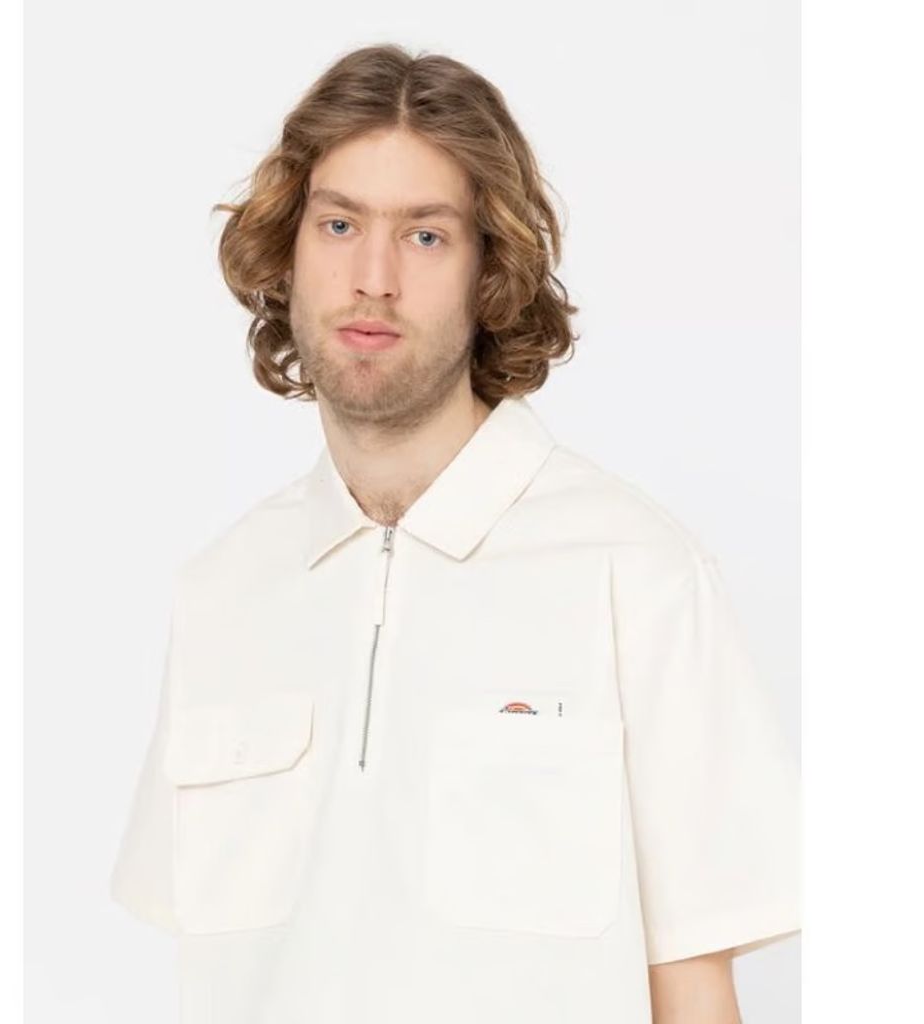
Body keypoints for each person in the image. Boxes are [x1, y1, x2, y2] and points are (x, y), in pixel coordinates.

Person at [110, 43, 800, 1024]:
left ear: (489, 271)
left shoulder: (637, 575)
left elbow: (693, 989)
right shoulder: (220, 591)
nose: (373, 277)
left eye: (425, 236)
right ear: (286, 253)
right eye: (338, 224)